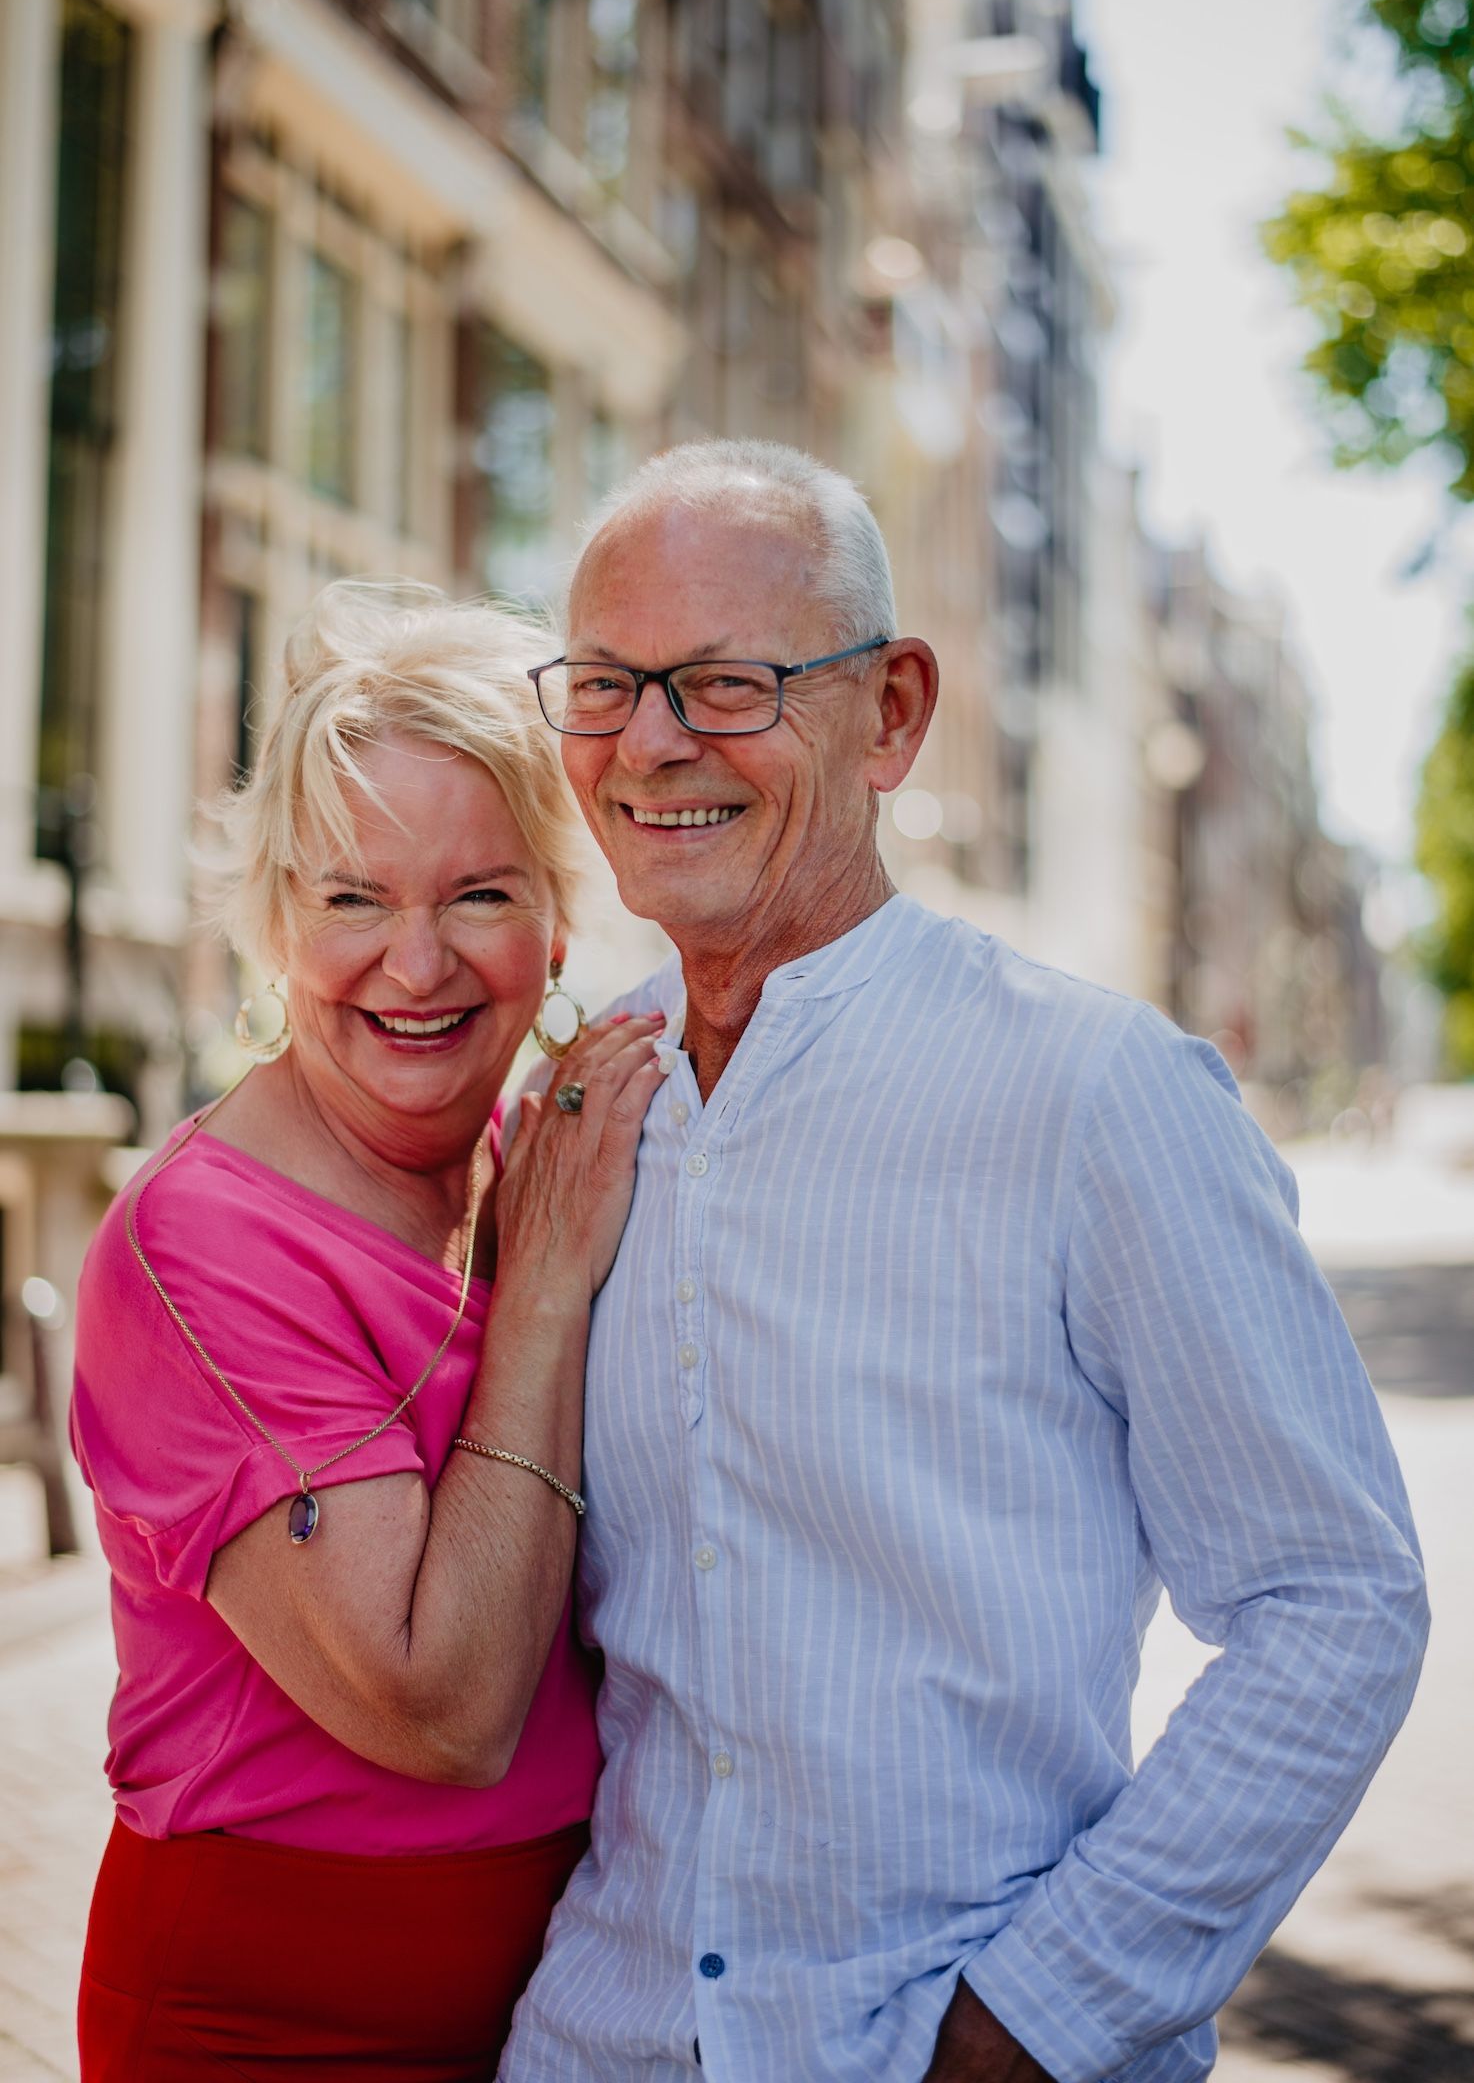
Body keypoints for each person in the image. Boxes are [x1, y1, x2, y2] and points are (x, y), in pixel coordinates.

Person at [501, 441, 1430, 2083]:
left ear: (895, 712)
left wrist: (1025, 2026)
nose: (650, 743)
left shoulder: (1098, 1097)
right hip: (602, 2042)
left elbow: (1331, 1605)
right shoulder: (578, 1104)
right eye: (604, 684)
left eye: (725, 684)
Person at [69, 583, 667, 2080]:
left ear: (551, 909)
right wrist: (541, 1292)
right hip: (272, 2027)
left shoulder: (545, 1158)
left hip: (574, 2003)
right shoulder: (205, 1245)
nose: (417, 966)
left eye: (477, 894)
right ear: (276, 916)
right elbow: (441, 1704)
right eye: (352, 899)